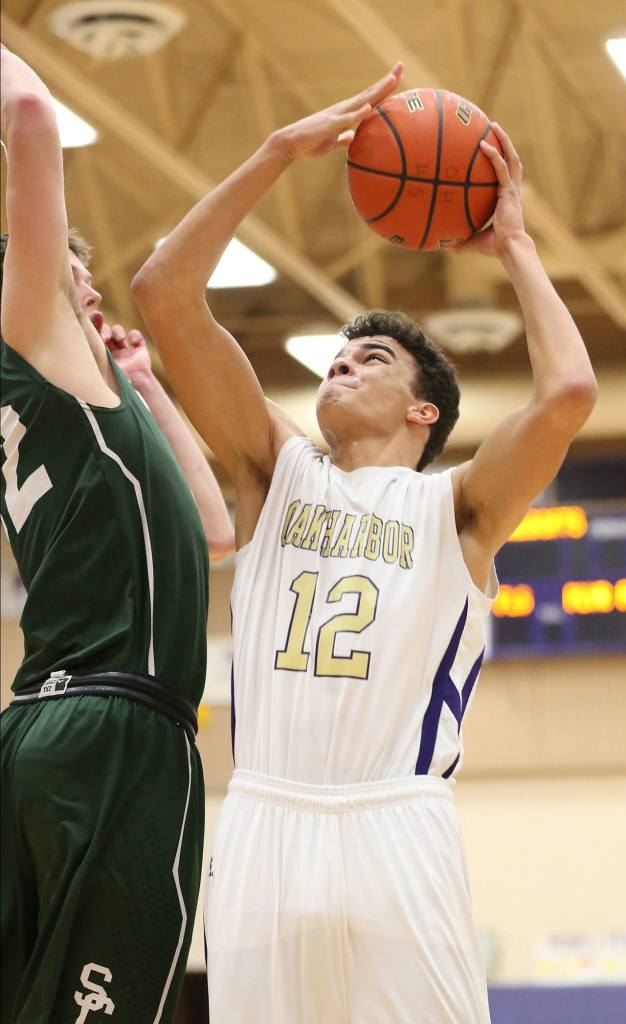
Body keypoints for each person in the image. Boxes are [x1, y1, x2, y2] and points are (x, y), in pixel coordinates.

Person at [132, 62, 598, 1023]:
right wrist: (273, 153)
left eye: (371, 358)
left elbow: (566, 395)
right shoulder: (273, 471)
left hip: (396, 823)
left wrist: (513, 243)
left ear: (425, 407)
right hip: (262, 818)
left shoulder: (459, 508)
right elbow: (164, 293)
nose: (342, 365)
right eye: (336, 356)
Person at [0, 43, 233, 1024]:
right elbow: (33, 116)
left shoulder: (87, 401)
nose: (91, 302)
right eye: (76, 285)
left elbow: (213, 532)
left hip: (46, 723)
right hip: (119, 730)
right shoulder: (33, 340)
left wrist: (148, 389)